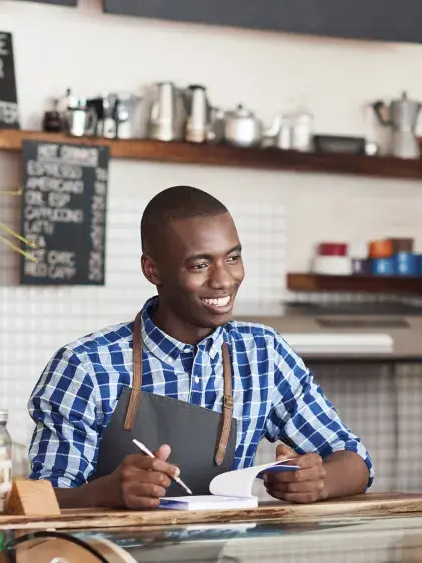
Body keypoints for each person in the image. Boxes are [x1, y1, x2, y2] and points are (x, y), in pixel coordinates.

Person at [28, 185, 373, 509]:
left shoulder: (263, 354)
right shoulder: (86, 365)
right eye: (200, 264)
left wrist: (320, 480)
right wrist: (107, 492)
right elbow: (42, 500)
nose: (224, 279)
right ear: (152, 269)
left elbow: (355, 460)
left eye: (233, 258)